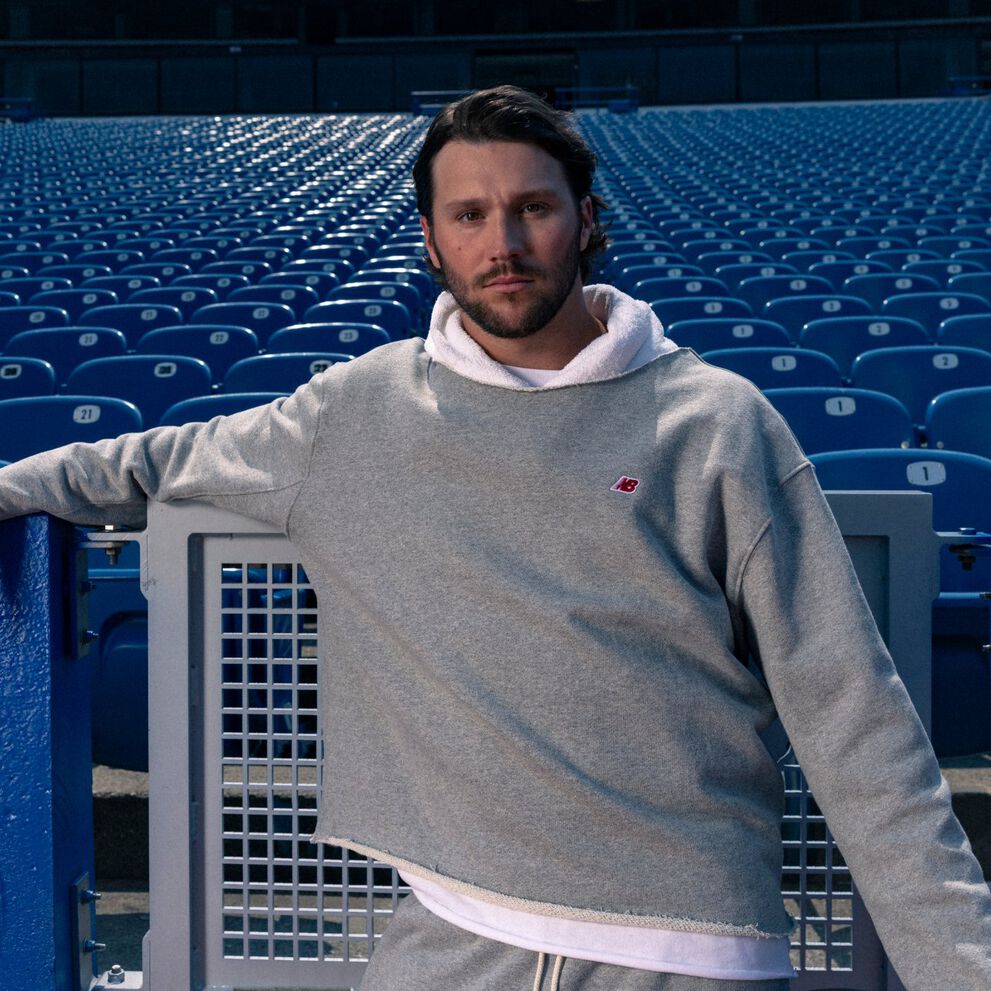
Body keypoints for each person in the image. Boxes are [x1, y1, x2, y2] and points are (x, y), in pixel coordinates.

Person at [1, 85, 990, 991]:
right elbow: (148, 463)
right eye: (469, 215)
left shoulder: (717, 422)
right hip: (448, 930)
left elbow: (853, 715)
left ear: (586, 221)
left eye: (533, 207)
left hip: (687, 943)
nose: (502, 241)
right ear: (430, 241)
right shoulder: (356, 410)